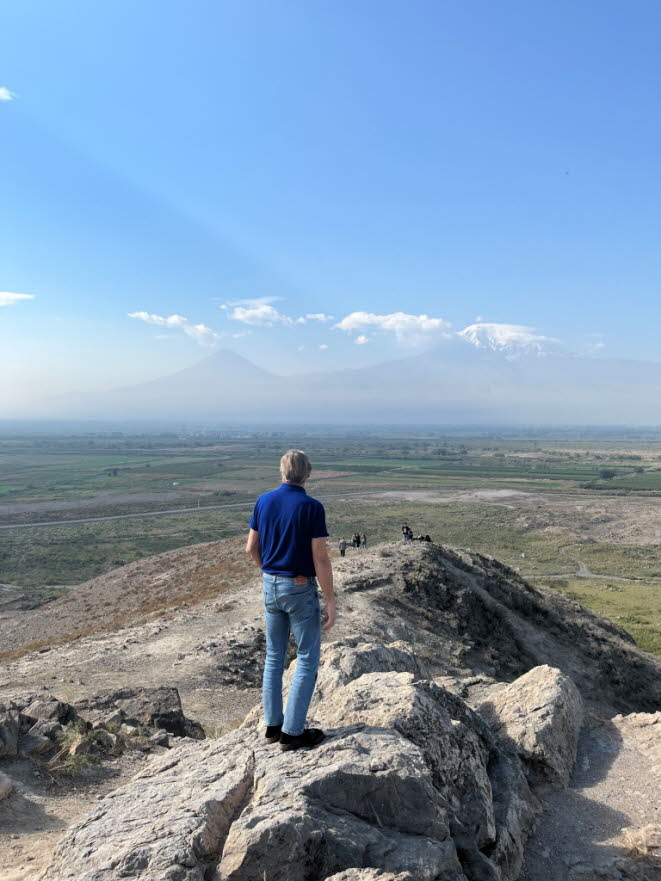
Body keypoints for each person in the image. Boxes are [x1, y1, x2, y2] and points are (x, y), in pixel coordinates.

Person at [246, 450, 336, 751]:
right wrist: (331, 600)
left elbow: (251, 549)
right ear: (307, 474)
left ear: (282, 472)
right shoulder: (311, 507)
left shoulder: (264, 501)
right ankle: (293, 733)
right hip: (298, 589)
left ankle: (273, 727)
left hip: (269, 586)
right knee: (307, 659)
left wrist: (271, 573)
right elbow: (320, 558)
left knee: (274, 656)